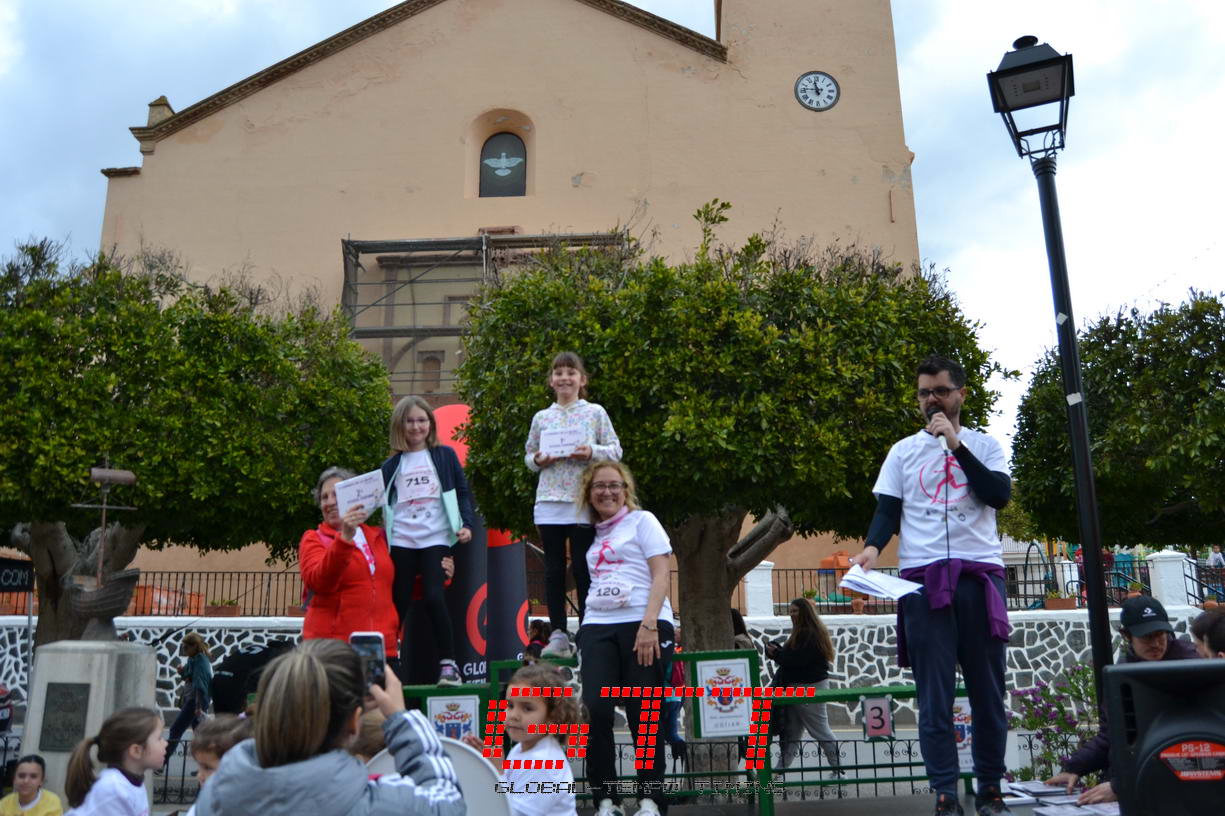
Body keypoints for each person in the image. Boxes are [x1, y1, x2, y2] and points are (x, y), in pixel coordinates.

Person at [849, 355, 1013, 816]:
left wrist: (957, 446)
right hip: (923, 581)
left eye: (940, 390)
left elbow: (998, 494)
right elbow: (887, 511)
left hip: (979, 577)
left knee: (988, 693)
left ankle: (990, 789)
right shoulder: (903, 452)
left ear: (961, 393)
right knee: (934, 696)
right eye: (924, 393)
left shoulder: (986, 445)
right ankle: (944, 792)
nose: (932, 400)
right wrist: (871, 549)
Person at [193, 639, 464, 816]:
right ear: (354, 723)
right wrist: (402, 718)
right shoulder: (378, 803)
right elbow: (448, 802)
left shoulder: (214, 798)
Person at [574, 461, 674, 816]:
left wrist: (649, 624)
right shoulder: (587, 533)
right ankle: (606, 799)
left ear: (625, 490)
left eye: (614, 485)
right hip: (597, 624)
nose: (607, 492)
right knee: (596, 708)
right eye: (599, 486)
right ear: (589, 493)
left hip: (643, 622)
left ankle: (650, 799)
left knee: (643, 712)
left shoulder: (643, 521)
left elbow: (662, 573)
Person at [1044, 595, 1199, 805]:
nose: (1155, 643)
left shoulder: (1192, 667)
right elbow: (1112, 734)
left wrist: (1121, 786)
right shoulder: (1122, 674)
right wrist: (1074, 768)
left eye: (1160, 635)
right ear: (1127, 636)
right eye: (1146, 637)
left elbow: (1183, 740)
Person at [524, 351, 622, 658]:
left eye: (570, 372)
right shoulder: (542, 417)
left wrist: (591, 452)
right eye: (558, 373)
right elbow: (529, 457)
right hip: (549, 501)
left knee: (583, 566)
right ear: (551, 381)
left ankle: (588, 628)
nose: (564, 378)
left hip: (581, 501)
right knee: (553, 570)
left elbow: (615, 450)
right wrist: (539, 459)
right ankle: (557, 634)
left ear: (582, 379)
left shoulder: (594, 413)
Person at [381, 395, 477, 686]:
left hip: (435, 537)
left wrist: (466, 524)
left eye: (421, 420)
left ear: (431, 424)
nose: (416, 426)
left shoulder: (444, 455)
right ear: (400, 425)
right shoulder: (391, 464)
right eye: (409, 421)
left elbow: (462, 491)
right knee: (398, 600)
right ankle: (388, 659)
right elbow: (379, 500)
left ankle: (448, 664)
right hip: (402, 540)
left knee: (435, 596)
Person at [300, 466, 400, 669]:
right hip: (332, 652)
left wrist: (440, 575)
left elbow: (400, 586)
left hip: (381, 650)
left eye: (336, 495)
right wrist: (345, 538)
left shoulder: (379, 537)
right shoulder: (313, 539)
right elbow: (320, 582)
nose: (329, 502)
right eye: (324, 497)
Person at [464, 661, 580, 816]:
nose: (514, 715)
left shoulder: (542, 763)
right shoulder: (522, 747)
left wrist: (497, 772)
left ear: (552, 717)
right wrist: (486, 768)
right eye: (510, 705)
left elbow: (511, 812)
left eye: (527, 708)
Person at [767, 598, 841, 773]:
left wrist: (776, 653)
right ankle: (778, 773)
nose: (792, 615)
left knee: (818, 730)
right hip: (801, 687)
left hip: (807, 688)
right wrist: (778, 653)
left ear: (804, 612)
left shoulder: (807, 634)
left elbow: (797, 661)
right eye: (790, 611)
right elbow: (795, 658)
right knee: (792, 732)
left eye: (795, 611)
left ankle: (839, 771)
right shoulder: (808, 632)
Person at [65, 707, 166, 815]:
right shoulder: (114, 789)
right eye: (159, 738)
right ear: (136, 751)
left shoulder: (131, 783)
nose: (165, 743)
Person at [164, 632, 213, 770]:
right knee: (199, 734)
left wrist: (198, 706)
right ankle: (207, 764)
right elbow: (189, 675)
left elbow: (200, 684)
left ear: (194, 646)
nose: (183, 650)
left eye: (186, 647)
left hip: (195, 700)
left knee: (176, 729)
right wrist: (182, 672)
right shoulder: (194, 659)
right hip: (195, 700)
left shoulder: (200, 661)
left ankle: (161, 763)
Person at [210, 640, 295, 715]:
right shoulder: (276, 655)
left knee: (222, 719)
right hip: (234, 682)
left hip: (218, 677)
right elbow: (255, 680)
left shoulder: (258, 649)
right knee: (235, 720)